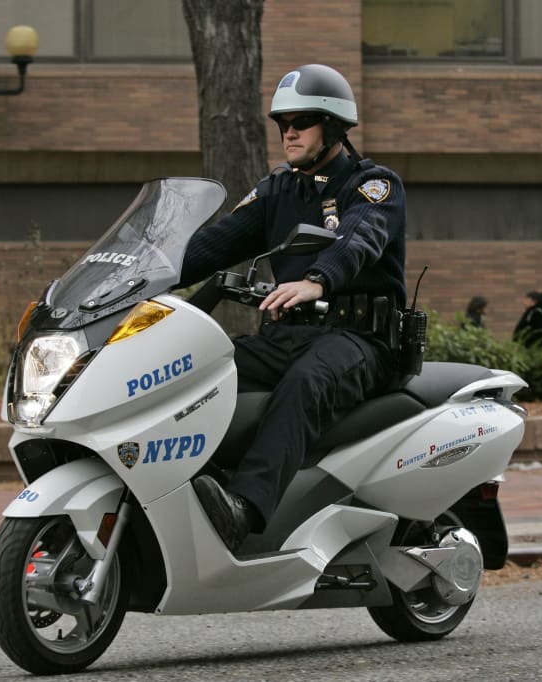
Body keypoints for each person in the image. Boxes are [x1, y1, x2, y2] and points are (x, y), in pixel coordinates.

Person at [179, 64, 407, 551]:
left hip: (358, 340)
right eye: (282, 121)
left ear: (334, 126)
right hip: (286, 337)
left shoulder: (374, 186)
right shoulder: (277, 190)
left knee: (306, 382)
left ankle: (244, 510)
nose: (289, 131)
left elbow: (358, 240)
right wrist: (129, 277)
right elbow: (208, 248)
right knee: (194, 371)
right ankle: (189, 490)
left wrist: (317, 279)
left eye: (302, 119)